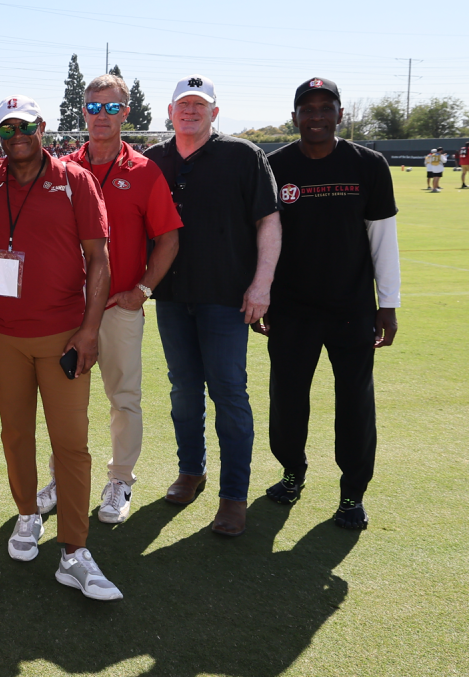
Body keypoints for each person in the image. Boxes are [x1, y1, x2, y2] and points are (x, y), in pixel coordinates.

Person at [0, 95, 120, 600]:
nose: (16, 134)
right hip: (3, 333)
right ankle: (25, 515)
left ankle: (75, 551)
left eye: (25, 125)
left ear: (42, 127)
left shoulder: (75, 180)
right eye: (6, 128)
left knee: (71, 443)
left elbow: (99, 260)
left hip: (63, 334)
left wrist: (88, 331)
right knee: (16, 433)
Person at [144, 74, 282, 537]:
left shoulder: (244, 156)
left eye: (199, 105)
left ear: (214, 113)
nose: (190, 111)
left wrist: (261, 285)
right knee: (183, 391)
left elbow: (268, 221)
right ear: (169, 111)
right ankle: (191, 471)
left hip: (225, 298)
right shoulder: (152, 160)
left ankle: (233, 497)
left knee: (229, 394)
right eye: (183, 104)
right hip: (171, 298)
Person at [261, 77, 400, 530]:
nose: (316, 116)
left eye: (326, 107)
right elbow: (259, 238)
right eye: (308, 108)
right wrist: (259, 293)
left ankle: (351, 496)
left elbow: (383, 238)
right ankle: (291, 472)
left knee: (355, 405)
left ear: (340, 114)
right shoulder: (272, 165)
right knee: (287, 400)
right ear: (295, 115)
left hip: (351, 309)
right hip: (290, 310)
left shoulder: (369, 165)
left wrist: (388, 304)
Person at [56, 74, 182, 524]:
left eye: (112, 108)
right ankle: (63, 476)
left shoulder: (146, 171)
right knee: (65, 398)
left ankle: (121, 479)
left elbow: (168, 239)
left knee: (123, 396)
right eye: (93, 107)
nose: (101, 116)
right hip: (69, 308)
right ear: (83, 111)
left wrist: (143, 290)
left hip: (119, 308)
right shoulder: (64, 168)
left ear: (127, 113)